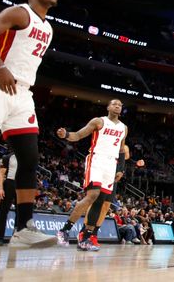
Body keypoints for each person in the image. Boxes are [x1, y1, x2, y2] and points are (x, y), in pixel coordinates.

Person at [0, 0, 58, 248]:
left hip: (22, 94)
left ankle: (23, 228)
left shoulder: (48, 28)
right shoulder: (19, 12)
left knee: (29, 158)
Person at [55, 99, 127, 251]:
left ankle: (85, 238)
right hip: (97, 159)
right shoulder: (99, 121)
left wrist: (120, 169)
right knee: (92, 195)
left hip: (111, 164)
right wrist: (66, 134)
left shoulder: (123, 128)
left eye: (120, 105)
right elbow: (79, 135)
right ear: (108, 107)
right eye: (114, 104)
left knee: (100, 202)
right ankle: (64, 230)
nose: (117, 106)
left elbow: (121, 150)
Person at [0, 151, 17, 245]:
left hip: (23, 184)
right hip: (9, 183)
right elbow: (1, 173)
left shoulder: (27, 157)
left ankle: (16, 238)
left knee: (21, 212)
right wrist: (0, 189)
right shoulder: (8, 157)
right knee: (3, 211)